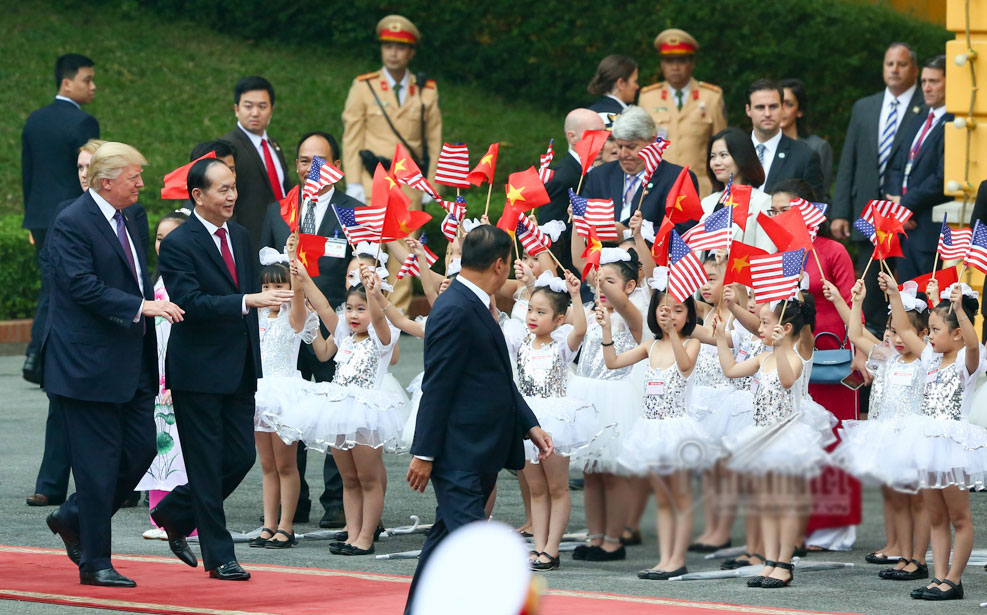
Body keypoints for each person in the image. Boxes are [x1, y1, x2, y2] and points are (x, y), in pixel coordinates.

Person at [43, 142, 183, 588]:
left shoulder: (131, 218)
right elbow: (82, 287)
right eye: (134, 177)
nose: (142, 183)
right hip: (85, 366)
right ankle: (96, 563)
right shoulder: (71, 222)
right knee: (97, 466)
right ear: (108, 181)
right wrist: (140, 307)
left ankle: (72, 514)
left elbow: (137, 274)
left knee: (143, 447)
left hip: (130, 359)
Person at [151, 158, 293, 581]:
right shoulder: (179, 242)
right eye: (222, 190)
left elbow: (249, 298)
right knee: (206, 462)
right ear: (198, 195)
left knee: (240, 456)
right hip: (196, 369)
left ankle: (174, 510)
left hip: (238, 366)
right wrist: (247, 301)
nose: (231, 196)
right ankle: (219, 555)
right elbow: (189, 303)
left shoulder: (243, 235)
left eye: (233, 188)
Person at [403, 225, 553, 613]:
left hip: (479, 449)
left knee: (443, 541)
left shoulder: (474, 302)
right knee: (476, 546)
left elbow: (495, 375)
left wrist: (529, 423)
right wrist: (424, 452)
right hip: (458, 455)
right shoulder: (454, 308)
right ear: (500, 265)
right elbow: (438, 386)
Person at [260, 130, 358, 528]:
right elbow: (265, 268)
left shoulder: (351, 210)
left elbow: (360, 267)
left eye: (320, 161)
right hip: (288, 327)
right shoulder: (278, 210)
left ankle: (336, 498)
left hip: (335, 325)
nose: (310, 169)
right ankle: (291, 503)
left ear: (335, 167)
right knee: (287, 412)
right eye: (303, 161)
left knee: (336, 412)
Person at [768, 178, 862, 552]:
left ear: (806, 210)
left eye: (782, 209)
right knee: (795, 443)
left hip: (831, 359)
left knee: (832, 441)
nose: (776, 217)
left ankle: (832, 529)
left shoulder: (832, 250)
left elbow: (854, 307)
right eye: (772, 210)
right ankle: (796, 526)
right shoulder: (778, 253)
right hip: (789, 360)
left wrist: (859, 353)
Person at [716, 298, 829, 589]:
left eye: (766, 322)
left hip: (786, 438)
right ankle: (769, 560)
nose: (760, 327)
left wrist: (778, 347)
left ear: (786, 328)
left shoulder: (793, 356)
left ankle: (784, 562)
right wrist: (719, 340)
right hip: (762, 436)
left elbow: (788, 380)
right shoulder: (761, 358)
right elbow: (730, 370)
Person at [602, 287, 712, 580]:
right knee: (663, 499)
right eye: (666, 310)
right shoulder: (649, 346)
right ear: (655, 312)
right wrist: (605, 331)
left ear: (689, 314)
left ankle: (677, 559)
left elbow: (685, 367)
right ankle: (665, 559)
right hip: (651, 428)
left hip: (677, 428)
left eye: (679, 310)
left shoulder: (692, 343)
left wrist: (673, 333)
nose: (672, 315)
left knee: (680, 497)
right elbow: (613, 363)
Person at [890, 279, 986, 601]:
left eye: (935, 331)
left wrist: (958, 310)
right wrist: (893, 294)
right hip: (928, 444)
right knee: (936, 517)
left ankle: (955, 580)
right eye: (928, 331)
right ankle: (939, 576)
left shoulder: (965, 363)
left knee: (959, 517)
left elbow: (972, 345)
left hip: (953, 447)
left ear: (956, 333)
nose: (928, 337)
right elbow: (904, 331)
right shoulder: (930, 359)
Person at [830, 277, 930, 581]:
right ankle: (903, 554)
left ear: (923, 335)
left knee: (919, 500)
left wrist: (897, 297)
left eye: (906, 333)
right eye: (895, 332)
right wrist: (856, 301)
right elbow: (856, 334)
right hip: (889, 437)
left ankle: (919, 559)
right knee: (898, 498)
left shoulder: (926, 360)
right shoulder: (889, 356)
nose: (899, 339)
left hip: (913, 438)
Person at [341, 14, 442, 314]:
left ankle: (395, 314)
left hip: (408, 181)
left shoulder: (426, 89)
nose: (393, 52)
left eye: (400, 47)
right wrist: (354, 183)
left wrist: (432, 183)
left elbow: (434, 140)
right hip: (373, 177)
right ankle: (364, 309)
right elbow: (352, 136)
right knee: (369, 247)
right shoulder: (364, 87)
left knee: (406, 249)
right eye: (388, 46)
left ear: (411, 52)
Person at [27, 138, 106, 508]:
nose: (84, 174)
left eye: (90, 165)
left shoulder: (129, 213)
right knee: (60, 404)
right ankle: (51, 483)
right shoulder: (65, 210)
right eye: (79, 167)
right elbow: (50, 266)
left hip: (107, 320)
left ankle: (121, 483)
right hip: (65, 319)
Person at [502, 270, 594, 571]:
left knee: (557, 488)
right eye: (530, 309)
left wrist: (577, 294)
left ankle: (552, 549)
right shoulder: (520, 343)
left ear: (558, 320)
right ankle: (538, 545)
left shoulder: (561, 345)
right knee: (536, 489)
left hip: (555, 421)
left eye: (541, 312)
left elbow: (580, 329)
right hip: (527, 421)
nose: (532, 316)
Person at [831, 42, 923, 335]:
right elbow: (849, 161)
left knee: (911, 294)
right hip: (867, 216)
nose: (894, 69)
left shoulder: (927, 107)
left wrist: (911, 205)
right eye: (889, 64)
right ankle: (868, 357)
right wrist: (840, 212)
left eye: (902, 64)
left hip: (910, 220)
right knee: (868, 289)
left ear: (915, 69)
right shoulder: (864, 107)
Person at [21, 53, 100, 385]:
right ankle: (41, 355)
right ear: (67, 83)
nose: (93, 87)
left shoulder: (34, 120)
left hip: (39, 217)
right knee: (68, 287)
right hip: (72, 214)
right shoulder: (84, 123)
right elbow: (91, 172)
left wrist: (31, 221)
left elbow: (28, 172)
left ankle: (36, 355)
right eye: (87, 80)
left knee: (51, 284)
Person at [251, 250, 328, 549]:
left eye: (279, 286)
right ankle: (269, 525)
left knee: (286, 465)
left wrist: (296, 279)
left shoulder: (297, 314)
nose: (272, 292)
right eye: (267, 287)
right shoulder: (257, 315)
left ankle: (287, 526)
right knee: (267, 465)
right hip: (260, 393)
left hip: (285, 394)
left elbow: (298, 305)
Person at [884, 55, 952, 282]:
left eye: (934, 81)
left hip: (927, 230)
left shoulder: (954, 123)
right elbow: (896, 164)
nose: (927, 87)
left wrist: (905, 205)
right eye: (923, 82)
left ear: (950, 83)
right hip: (904, 230)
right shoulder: (919, 117)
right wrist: (897, 206)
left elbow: (942, 178)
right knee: (905, 303)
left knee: (927, 305)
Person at [637, 29, 726, 197]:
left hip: (700, 188)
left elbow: (722, 145)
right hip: (658, 187)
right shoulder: (647, 97)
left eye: (681, 60)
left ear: (692, 63)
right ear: (662, 65)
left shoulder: (711, 97)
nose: (675, 66)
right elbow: (641, 146)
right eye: (669, 61)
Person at [582, 106, 697, 229]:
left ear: (652, 141)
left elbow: (683, 230)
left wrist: (628, 235)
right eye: (620, 146)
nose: (623, 154)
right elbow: (582, 221)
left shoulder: (678, 179)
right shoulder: (599, 175)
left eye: (631, 147)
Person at [221, 76, 293, 249]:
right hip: (249, 240)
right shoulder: (228, 148)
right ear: (236, 109)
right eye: (248, 106)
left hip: (284, 235)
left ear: (271, 110)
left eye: (262, 106)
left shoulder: (274, 146)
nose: (255, 113)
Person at [539, 109, 606, 274]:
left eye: (604, 133)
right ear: (572, 136)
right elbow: (552, 234)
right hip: (570, 271)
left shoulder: (598, 171)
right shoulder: (562, 178)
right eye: (595, 134)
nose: (603, 140)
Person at [745, 79, 824, 198]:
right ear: (748, 110)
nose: (767, 113)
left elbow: (815, 208)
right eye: (760, 107)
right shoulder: (732, 152)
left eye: (773, 107)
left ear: (782, 108)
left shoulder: (804, 157)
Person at [700, 127, 774, 251]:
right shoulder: (707, 203)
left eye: (723, 155)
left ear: (741, 157)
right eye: (713, 156)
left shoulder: (762, 202)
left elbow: (766, 253)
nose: (716, 162)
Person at [778, 78, 834, 200]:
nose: (782, 110)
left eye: (788, 104)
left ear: (799, 111)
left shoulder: (817, 147)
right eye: (777, 103)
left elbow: (821, 195)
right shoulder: (761, 146)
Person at [586, 55, 639, 128]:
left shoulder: (588, 114)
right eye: (635, 81)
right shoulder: (629, 119)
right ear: (620, 83)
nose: (637, 87)